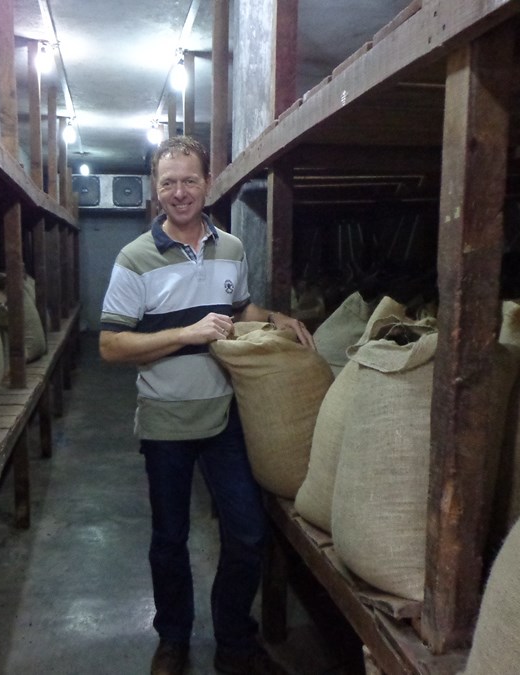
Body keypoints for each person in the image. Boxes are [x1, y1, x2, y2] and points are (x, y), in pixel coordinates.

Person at [99, 135, 314, 675]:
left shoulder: (231, 248)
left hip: (225, 415)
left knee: (247, 532)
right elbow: (111, 345)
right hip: (166, 418)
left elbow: (237, 308)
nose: (179, 192)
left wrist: (273, 318)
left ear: (206, 183)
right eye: (168, 182)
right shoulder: (134, 260)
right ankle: (173, 638)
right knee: (170, 539)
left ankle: (234, 642)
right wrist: (186, 334)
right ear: (155, 189)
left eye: (189, 180)